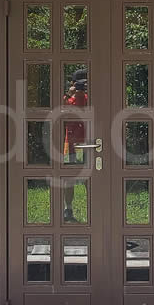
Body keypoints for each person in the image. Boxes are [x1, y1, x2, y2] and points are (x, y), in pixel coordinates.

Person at [62, 68, 88, 223]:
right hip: (70, 142)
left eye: (84, 84)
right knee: (68, 177)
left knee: (91, 176)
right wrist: (68, 94)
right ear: (72, 83)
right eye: (79, 84)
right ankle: (68, 209)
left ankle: (94, 207)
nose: (81, 87)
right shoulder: (68, 97)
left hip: (89, 142)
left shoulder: (89, 96)